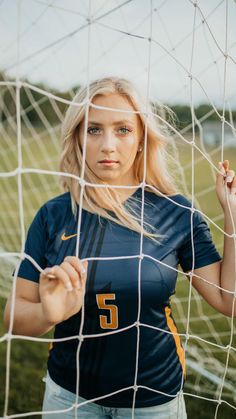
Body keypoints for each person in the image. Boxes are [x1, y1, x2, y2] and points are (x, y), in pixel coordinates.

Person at [3, 77, 236, 419]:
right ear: (78, 138)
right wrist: (47, 314)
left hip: (153, 400)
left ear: (142, 137)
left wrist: (232, 214)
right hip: (69, 396)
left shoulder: (176, 212)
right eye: (94, 129)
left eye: (123, 129)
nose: (108, 145)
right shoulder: (53, 216)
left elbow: (227, 300)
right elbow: (14, 317)